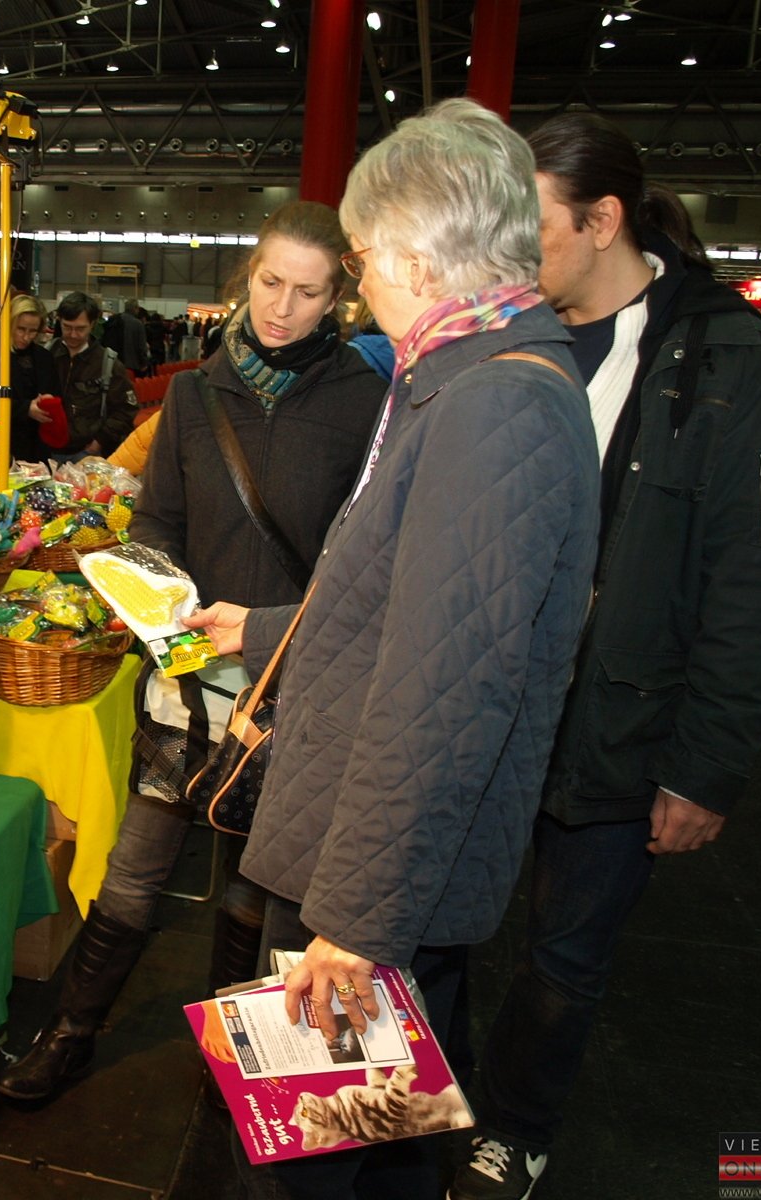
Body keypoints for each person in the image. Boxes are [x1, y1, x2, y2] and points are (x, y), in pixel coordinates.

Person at [184, 98, 602, 1199]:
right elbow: (411, 610)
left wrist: (356, 922)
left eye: (364, 261)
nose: (362, 285)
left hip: (365, 873)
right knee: (373, 1150)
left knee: (316, 1164)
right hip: (370, 855)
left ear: (417, 256)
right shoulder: (468, 374)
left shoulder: (494, 403)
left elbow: (446, 692)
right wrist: (262, 628)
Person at [450, 112, 761, 1200]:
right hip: (491, 701)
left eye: (533, 227)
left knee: (565, 955)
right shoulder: (510, 336)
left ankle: (515, 1127)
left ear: (602, 221)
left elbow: (749, 586)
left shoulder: (727, 357)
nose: (511, 253)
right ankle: (427, 1105)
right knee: (441, 921)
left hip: (621, 715)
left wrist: (706, 769)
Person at [0, 200, 387, 1104]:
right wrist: (161, 604)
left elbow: (364, 556)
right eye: (270, 282)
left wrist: (276, 626)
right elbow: (158, 519)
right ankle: (70, 1034)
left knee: (257, 876)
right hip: (190, 672)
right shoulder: (198, 393)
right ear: (247, 276)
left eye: (307, 292)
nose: (282, 307)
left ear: (338, 299)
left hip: (295, 674)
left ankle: (236, 1057)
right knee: (138, 861)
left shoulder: (363, 404)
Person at [48, 292, 138, 459]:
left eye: (80, 329)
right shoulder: (47, 354)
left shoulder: (108, 364)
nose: (73, 334)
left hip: (87, 452)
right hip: (46, 449)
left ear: (92, 324)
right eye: (67, 327)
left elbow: (125, 410)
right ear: (59, 321)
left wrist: (100, 441)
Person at [0, 293, 59, 461]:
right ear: (9, 324)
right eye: (21, 329)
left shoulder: (44, 357)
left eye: (33, 331)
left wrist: (48, 403)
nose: (26, 337)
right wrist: (25, 408)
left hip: (34, 447)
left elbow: (55, 393)